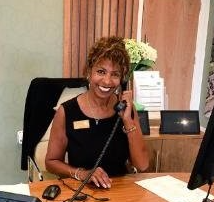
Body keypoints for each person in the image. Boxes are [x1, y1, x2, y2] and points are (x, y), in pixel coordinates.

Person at [45, 36, 149, 189]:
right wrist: (81, 173)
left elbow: (142, 165)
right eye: (101, 71)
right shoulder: (67, 111)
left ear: (122, 79)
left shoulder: (126, 109)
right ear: (89, 71)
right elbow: (51, 162)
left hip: (120, 190)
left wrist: (127, 121)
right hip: (82, 190)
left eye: (115, 74)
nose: (107, 81)